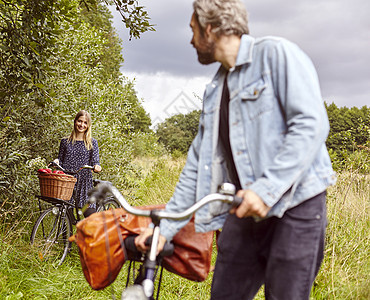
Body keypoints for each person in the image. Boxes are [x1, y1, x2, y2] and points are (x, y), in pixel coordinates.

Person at [135, 0, 336, 299]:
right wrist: (163, 230)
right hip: (245, 211)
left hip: (297, 209)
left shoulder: (276, 54)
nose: (191, 40)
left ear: (211, 28)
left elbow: (311, 125)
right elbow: (197, 166)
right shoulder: (216, 89)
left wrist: (265, 191)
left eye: (193, 30)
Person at [58, 110, 102, 217]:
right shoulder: (65, 142)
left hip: (84, 183)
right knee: (65, 217)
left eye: (85, 123)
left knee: (90, 216)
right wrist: (56, 161)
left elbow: (95, 161)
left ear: (88, 125)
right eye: (80, 121)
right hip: (67, 182)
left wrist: (97, 166)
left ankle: (94, 233)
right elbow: (60, 159)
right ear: (75, 122)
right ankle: (67, 233)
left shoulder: (91, 143)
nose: (82, 125)